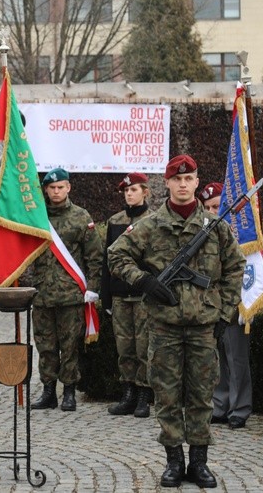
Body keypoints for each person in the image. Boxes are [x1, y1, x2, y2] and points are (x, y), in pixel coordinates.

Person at [108, 155, 245, 489]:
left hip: (202, 327)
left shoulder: (216, 227)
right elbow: (116, 255)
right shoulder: (150, 225)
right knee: (167, 396)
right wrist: (144, 281)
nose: (183, 185)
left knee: (200, 396)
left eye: (189, 179)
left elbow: (235, 269)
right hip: (164, 327)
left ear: (197, 182)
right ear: (166, 184)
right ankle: (173, 462)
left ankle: (199, 462)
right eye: (176, 180)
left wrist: (224, 315)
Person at [30, 168, 103, 412]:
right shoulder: (36, 217)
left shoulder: (81, 217)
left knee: (70, 345)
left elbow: (95, 257)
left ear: (68, 187)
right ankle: (48, 391)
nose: (56, 191)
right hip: (42, 294)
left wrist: (93, 288)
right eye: (52, 188)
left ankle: (69, 392)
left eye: (60, 187)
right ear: (46, 190)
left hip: (71, 294)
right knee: (45, 345)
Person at [199, 182, 252, 430]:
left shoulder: (240, 233)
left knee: (236, 358)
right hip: (210, 305)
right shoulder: (203, 232)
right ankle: (219, 405)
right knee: (216, 359)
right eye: (208, 206)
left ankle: (239, 408)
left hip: (233, 305)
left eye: (217, 206)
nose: (213, 210)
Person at [101, 172, 154, 418]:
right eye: (126, 191)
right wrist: (106, 295)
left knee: (144, 346)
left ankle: (144, 394)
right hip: (120, 293)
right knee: (125, 346)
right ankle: (129, 392)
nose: (129, 194)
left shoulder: (154, 220)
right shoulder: (115, 221)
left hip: (143, 294)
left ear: (145, 192)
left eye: (134, 190)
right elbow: (107, 261)